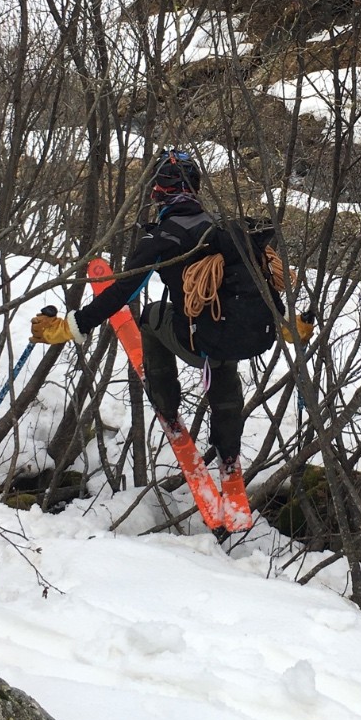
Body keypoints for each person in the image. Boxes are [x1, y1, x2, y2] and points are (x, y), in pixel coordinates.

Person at [30, 149, 257, 476]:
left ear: (159, 191)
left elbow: (122, 293)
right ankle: (229, 448)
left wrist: (69, 327)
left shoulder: (164, 236)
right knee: (222, 343)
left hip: (192, 340)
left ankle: (166, 405)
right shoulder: (222, 229)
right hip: (230, 339)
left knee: (151, 317)